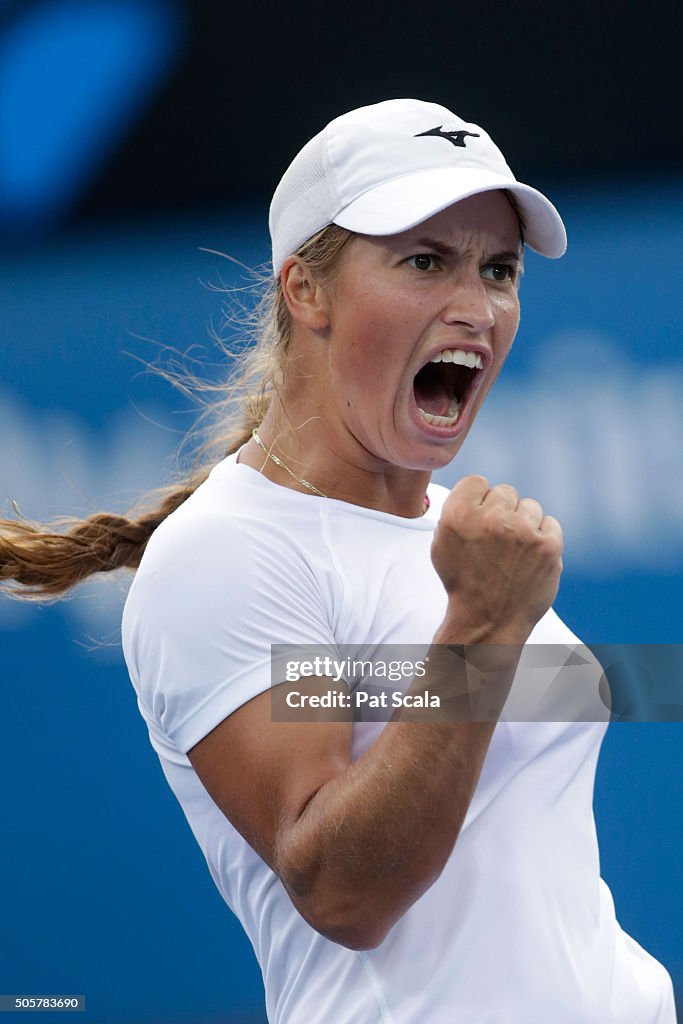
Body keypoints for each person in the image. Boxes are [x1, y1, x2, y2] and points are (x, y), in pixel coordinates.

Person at [0, 99, 676, 1023]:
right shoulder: (227, 554)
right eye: (425, 261)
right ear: (304, 290)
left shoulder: (452, 540)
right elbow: (343, 892)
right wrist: (481, 629)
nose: (476, 307)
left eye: (499, 269)